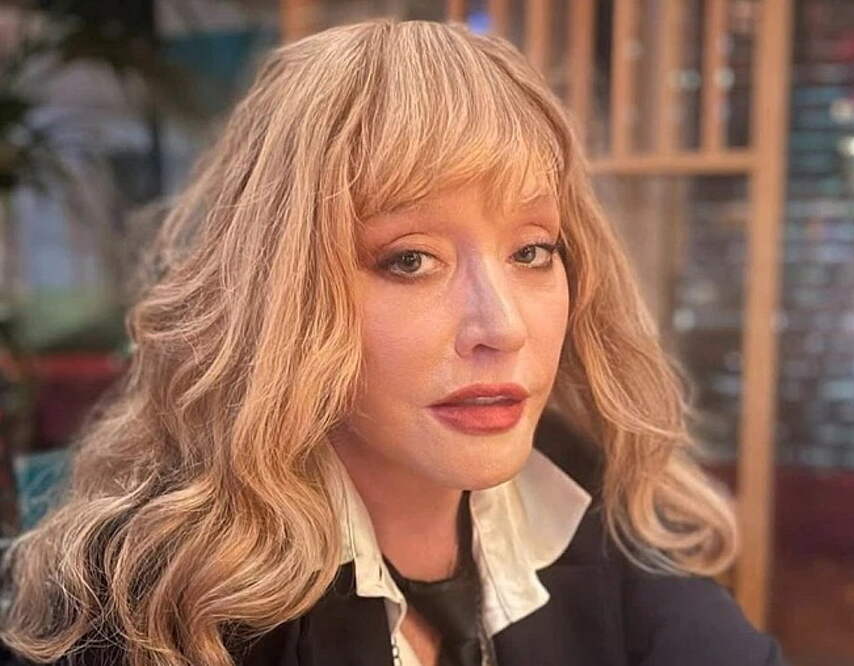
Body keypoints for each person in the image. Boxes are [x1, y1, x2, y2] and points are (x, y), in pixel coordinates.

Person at [0, 18, 787, 666]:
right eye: (409, 260)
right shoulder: (153, 607)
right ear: (280, 294)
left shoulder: (584, 499)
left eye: (531, 251)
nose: (502, 327)